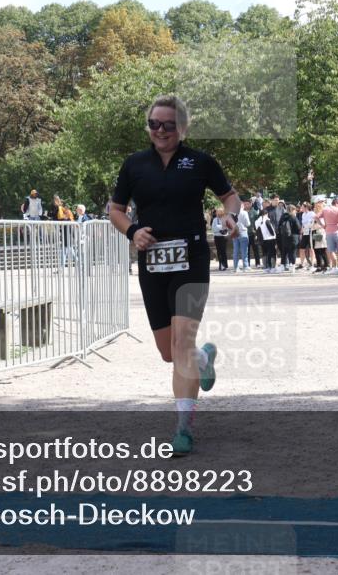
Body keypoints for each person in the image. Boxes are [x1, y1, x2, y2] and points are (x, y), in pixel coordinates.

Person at [108, 94, 241, 456]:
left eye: (168, 125)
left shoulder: (200, 162)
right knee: (169, 353)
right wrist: (132, 231)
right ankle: (203, 358)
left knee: (182, 342)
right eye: (154, 124)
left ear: (181, 128)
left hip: (192, 260)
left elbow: (230, 196)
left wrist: (230, 216)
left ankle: (183, 427)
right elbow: (115, 209)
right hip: (152, 265)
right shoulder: (134, 165)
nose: (161, 131)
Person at [256, 204, 279, 273]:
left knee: (265, 253)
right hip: (270, 238)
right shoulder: (267, 220)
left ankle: (266, 267)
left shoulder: (257, 221)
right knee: (272, 253)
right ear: (266, 214)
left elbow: (257, 230)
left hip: (262, 239)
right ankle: (272, 267)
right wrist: (274, 235)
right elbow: (271, 230)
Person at [232, 200, 251, 272]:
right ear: (242, 206)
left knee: (236, 251)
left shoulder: (232, 213)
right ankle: (245, 266)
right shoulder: (244, 212)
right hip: (243, 232)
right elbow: (248, 224)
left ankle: (236, 267)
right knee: (244, 250)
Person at [297, 202, 315, 271]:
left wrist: (305, 228)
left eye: (302, 207)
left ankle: (312, 264)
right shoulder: (303, 214)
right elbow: (303, 224)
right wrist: (301, 232)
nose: (301, 208)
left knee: (311, 249)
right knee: (301, 248)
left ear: (306, 207)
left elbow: (311, 223)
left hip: (310, 232)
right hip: (304, 233)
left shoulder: (312, 213)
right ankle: (302, 264)